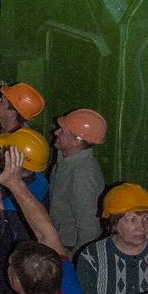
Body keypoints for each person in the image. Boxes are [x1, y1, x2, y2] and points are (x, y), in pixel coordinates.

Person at [49, 108, 107, 253]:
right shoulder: (67, 159)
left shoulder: (83, 172)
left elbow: (90, 228)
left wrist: (75, 260)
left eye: (62, 131)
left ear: (77, 141)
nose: (55, 132)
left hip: (69, 249)